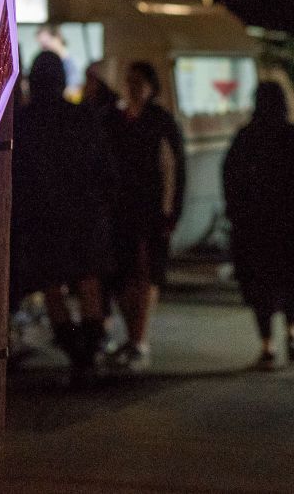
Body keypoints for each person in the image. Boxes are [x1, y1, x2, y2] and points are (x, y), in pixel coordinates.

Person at [10, 52, 116, 386]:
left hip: (43, 217)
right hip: (84, 213)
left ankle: (72, 348)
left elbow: (19, 175)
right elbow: (104, 167)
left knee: (52, 286)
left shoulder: (24, 122)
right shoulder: (81, 116)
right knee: (88, 282)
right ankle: (91, 348)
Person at [222, 81, 294, 369]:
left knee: (260, 283)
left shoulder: (245, 138)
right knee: (290, 279)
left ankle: (267, 345)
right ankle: (293, 334)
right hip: (292, 223)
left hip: (254, 224)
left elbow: (229, 177)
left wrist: (235, 212)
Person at [104, 60, 185, 373]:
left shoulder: (160, 121)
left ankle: (139, 340)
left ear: (152, 86)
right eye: (130, 80)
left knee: (146, 273)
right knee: (124, 276)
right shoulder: (115, 119)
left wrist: (169, 211)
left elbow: (172, 170)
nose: (133, 87)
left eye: (139, 81)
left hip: (151, 212)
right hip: (123, 211)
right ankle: (132, 338)